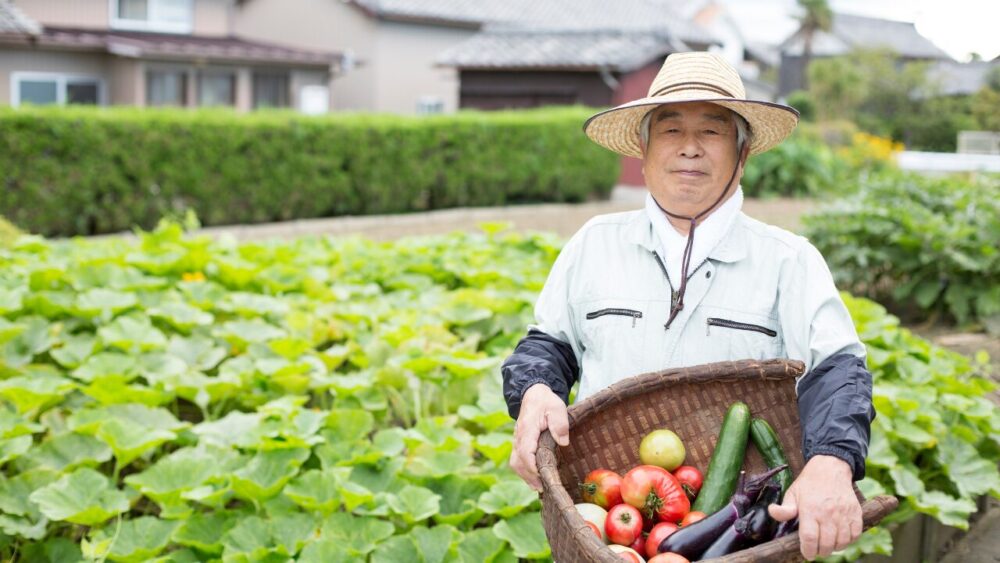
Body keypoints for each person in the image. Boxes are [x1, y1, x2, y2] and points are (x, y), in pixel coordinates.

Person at [500, 52, 875, 561]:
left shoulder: (789, 260)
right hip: (610, 525)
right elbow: (547, 345)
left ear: (743, 153)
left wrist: (833, 462)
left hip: (740, 529)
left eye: (713, 132)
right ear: (643, 146)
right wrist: (536, 391)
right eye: (671, 129)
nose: (690, 149)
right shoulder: (594, 244)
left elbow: (837, 370)